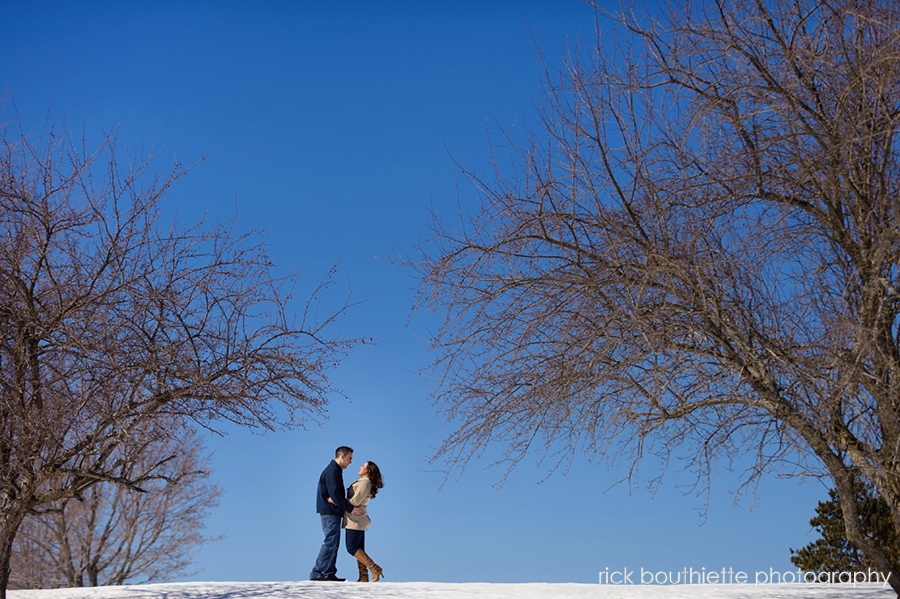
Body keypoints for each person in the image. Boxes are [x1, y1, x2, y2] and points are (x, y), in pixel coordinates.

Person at [310, 446, 362, 582]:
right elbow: (336, 495)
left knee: (333, 542)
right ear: (342, 456)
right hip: (329, 512)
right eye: (350, 458)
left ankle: (328, 572)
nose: (351, 462)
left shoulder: (335, 471)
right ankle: (317, 572)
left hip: (332, 511)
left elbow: (334, 496)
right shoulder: (332, 471)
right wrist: (351, 509)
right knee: (330, 540)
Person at [342, 461, 385, 582]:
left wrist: (338, 503)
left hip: (355, 520)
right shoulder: (365, 482)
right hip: (359, 519)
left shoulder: (365, 483)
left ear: (368, 470)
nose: (360, 467)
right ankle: (363, 576)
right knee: (359, 548)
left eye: (363, 466)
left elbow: (355, 502)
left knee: (351, 548)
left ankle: (374, 568)